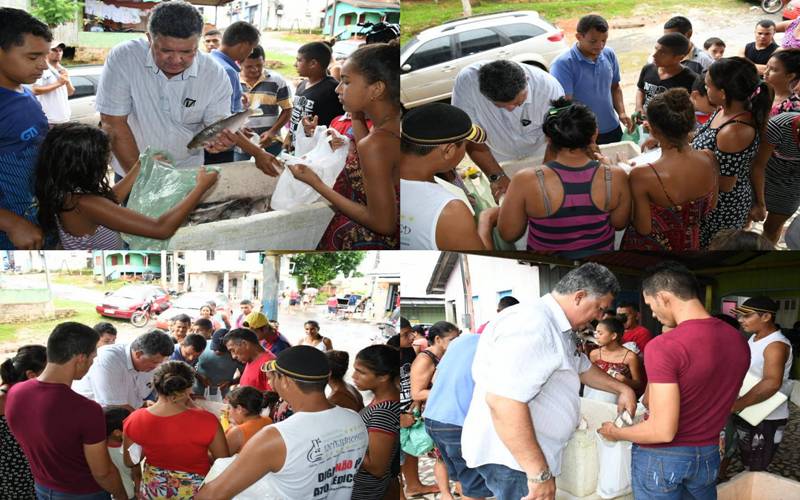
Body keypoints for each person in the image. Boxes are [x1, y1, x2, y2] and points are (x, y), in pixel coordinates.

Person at [462, 263, 636, 500]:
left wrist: (622, 388)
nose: (599, 318)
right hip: (514, 461)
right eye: (599, 309)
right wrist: (538, 474)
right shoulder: (533, 324)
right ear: (579, 296)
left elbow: (581, 367)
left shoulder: (559, 326)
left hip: (526, 458)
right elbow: (504, 402)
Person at [598, 262, 750, 500]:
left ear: (664, 297)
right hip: (709, 453)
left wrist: (615, 433)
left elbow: (662, 430)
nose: (654, 315)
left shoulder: (665, 345)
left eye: (650, 306)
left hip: (664, 458)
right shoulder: (738, 340)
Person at [195, 346, 369, 499]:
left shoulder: (277, 437)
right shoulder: (354, 419)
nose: (271, 383)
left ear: (285, 381)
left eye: (274, 377)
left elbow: (213, 494)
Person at [96, 1, 234, 182]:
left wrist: (221, 140)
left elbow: (216, 126)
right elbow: (113, 122)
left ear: (198, 43)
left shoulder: (214, 74)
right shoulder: (124, 58)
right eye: (166, 50)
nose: (176, 60)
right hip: (131, 170)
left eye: (187, 52)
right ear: (149, 38)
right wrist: (141, 180)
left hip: (186, 174)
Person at [35, 123, 219, 249]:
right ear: (86, 164)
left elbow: (108, 202)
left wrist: (139, 166)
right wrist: (200, 188)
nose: (108, 161)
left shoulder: (63, 190)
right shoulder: (84, 203)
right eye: (105, 157)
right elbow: (161, 229)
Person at [289, 43, 400, 250]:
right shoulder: (391, 124)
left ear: (376, 89)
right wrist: (355, 111)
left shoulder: (377, 143)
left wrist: (315, 183)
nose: (338, 89)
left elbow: (383, 224)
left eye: (346, 82)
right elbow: (364, 145)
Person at [5, 322, 127, 499]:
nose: (92, 364)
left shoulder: (16, 392)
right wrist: (122, 495)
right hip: (83, 492)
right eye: (92, 358)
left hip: (42, 487)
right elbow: (103, 472)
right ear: (80, 359)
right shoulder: (86, 410)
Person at [495, 98, 631, 253]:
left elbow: (508, 234)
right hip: (599, 269)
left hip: (549, 271)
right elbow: (620, 223)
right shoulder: (615, 176)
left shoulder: (526, 180)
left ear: (549, 138)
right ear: (594, 134)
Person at [451, 59, 565, 201]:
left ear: (527, 80)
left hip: (542, 152)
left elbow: (558, 135)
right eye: (500, 105)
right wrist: (496, 176)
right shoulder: (467, 83)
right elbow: (470, 136)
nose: (511, 109)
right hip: (497, 157)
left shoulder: (548, 87)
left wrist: (546, 174)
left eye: (518, 102)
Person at [621, 89, 718, 251]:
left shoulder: (641, 175)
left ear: (652, 129)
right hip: (691, 243)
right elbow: (712, 205)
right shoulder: (709, 158)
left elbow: (643, 228)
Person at [692, 57, 771, 248]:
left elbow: (726, 184)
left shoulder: (734, 131)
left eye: (708, 86)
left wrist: (690, 168)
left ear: (722, 93)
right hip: (709, 198)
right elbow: (704, 137)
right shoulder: (723, 110)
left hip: (721, 207)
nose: (705, 89)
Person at [123, 360, 229, 497]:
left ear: (156, 384)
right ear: (189, 388)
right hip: (194, 490)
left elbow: (130, 461)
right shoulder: (207, 420)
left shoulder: (135, 418)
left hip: (155, 489)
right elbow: (223, 462)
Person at [400, 102, 494, 250]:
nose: (465, 151)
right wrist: (486, 220)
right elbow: (485, 261)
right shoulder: (450, 210)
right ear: (449, 151)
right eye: (465, 145)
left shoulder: (378, 178)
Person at [0, 8, 50, 250]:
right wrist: (10, 223)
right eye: (33, 57)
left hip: (38, 219)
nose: (44, 66)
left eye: (46, 56)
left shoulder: (24, 91)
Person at [423, 332, 492, 500]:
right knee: (474, 487)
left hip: (433, 419)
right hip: (456, 424)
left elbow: (435, 377)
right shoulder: (493, 346)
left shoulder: (461, 342)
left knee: (463, 479)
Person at [731, 297, 793, 471]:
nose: (741, 320)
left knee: (757, 466)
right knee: (747, 459)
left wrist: (735, 405)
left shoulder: (776, 345)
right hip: (748, 411)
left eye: (747, 316)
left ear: (766, 317)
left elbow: (771, 383)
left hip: (766, 418)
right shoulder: (755, 338)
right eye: (740, 316)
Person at [550, 15, 631, 145]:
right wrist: (586, 136)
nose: (600, 46)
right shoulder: (563, 64)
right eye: (593, 41)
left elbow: (615, 87)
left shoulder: (609, 54)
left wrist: (621, 113)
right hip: (584, 136)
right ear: (579, 37)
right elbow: (565, 106)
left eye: (604, 40)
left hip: (613, 128)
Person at [410, 322, 461, 500]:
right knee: (443, 458)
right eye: (453, 340)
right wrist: (451, 391)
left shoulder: (447, 355)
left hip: (449, 413)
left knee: (453, 457)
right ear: (438, 339)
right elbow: (416, 392)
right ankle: (446, 494)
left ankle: (459, 491)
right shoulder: (425, 359)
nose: (457, 343)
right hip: (436, 416)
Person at [73, 329, 174, 411]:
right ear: (139, 354)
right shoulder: (108, 359)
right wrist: (145, 417)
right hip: (94, 415)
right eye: (154, 362)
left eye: (159, 363)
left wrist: (143, 404)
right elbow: (114, 407)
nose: (156, 367)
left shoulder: (148, 362)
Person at [392, 321, 438, 497]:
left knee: (411, 450)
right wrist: (398, 417)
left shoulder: (409, 351)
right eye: (406, 334)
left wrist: (417, 403)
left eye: (411, 333)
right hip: (397, 411)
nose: (412, 337)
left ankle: (414, 485)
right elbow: (385, 389)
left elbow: (415, 380)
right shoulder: (390, 353)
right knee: (396, 458)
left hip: (410, 408)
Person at [205, 21, 260, 165]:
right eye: (252, 48)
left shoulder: (210, 60)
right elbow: (225, 122)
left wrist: (240, 127)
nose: (251, 52)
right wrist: (258, 153)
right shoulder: (227, 71)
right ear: (244, 46)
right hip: (219, 144)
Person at [351, 345, 402, 500]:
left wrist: (348, 443)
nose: (354, 376)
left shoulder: (383, 412)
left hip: (364, 492)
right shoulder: (381, 401)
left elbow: (377, 468)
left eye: (361, 372)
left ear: (383, 377)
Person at [1, 344, 46, 499]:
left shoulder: (28, 393)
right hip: (13, 474)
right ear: (31, 375)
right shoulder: (4, 397)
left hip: (29, 468)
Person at [237, 45, 292, 158]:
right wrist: (239, 128)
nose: (255, 69)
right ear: (240, 63)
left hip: (271, 144)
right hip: (241, 145)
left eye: (259, 65)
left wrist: (272, 132)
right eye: (249, 66)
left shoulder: (277, 80)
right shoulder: (232, 81)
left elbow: (287, 109)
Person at [287, 41, 344, 149]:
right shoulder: (302, 85)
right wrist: (289, 136)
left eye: (299, 60)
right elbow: (296, 115)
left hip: (316, 149)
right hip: (297, 145)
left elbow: (338, 123)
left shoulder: (332, 90)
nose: (295, 64)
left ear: (313, 63)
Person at [754, 110, 800, 243]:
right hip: (764, 177)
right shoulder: (779, 126)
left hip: (793, 186)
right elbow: (758, 166)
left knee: (772, 229)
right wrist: (760, 203)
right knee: (744, 221)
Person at [636, 33, 698, 118]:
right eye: (655, 49)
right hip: (646, 121)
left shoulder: (690, 79)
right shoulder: (648, 69)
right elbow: (641, 89)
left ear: (679, 57)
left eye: (662, 53)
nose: (654, 55)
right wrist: (639, 107)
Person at [584, 318, 643, 402]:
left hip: (615, 402)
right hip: (592, 399)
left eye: (600, 333)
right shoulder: (594, 354)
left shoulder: (630, 357)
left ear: (613, 336)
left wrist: (624, 380)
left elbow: (638, 384)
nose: (596, 336)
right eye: (596, 333)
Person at [31, 41, 74, 126]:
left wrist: (67, 82)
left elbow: (70, 92)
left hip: (65, 119)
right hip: (49, 120)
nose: (58, 53)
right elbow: (34, 90)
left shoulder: (63, 70)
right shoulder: (41, 68)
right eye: (54, 50)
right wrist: (59, 83)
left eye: (60, 50)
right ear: (46, 52)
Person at [224, 386, 274, 455]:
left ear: (239, 409)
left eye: (229, 408)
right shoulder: (268, 420)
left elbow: (219, 456)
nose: (228, 411)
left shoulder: (237, 432)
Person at [193, 328, 242, 399]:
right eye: (215, 348)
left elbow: (244, 374)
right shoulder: (202, 345)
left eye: (222, 349)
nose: (218, 352)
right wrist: (199, 376)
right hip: (197, 392)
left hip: (222, 396)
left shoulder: (236, 354)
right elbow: (189, 366)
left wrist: (231, 382)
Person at [103, 407, 135, 500]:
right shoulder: (130, 448)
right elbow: (136, 475)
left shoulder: (99, 450)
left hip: (110, 493)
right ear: (117, 432)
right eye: (130, 426)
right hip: (128, 493)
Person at [763, 50, 800, 116]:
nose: (766, 72)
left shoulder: (794, 106)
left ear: (790, 76)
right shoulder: (758, 91)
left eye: (773, 69)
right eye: (767, 67)